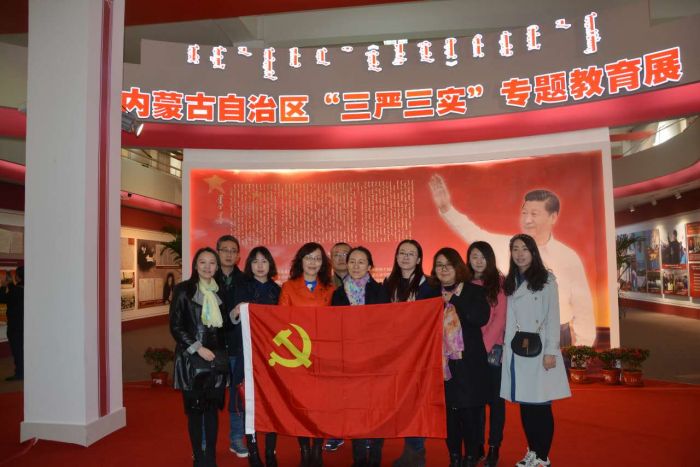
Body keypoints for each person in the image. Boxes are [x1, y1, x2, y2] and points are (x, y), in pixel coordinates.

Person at [429, 175, 596, 347]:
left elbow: (583, 308)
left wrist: (583, 350)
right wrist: (447, 209)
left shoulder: (568, 257)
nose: (527, 219)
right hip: (516, 331)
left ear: (553, 217)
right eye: (524, 213)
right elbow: (471, 232)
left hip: (556, 334)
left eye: (534, 214)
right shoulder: (505, 245)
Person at [501, 234, 571, 467]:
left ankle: (542, 457)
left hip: (540, 350)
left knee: (541, 405)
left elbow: (553, 317)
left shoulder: (547, 280)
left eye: (525, 249)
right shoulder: (510, 281)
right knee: (526, 405)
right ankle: (532, 451)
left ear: (533, 252)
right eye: (515, 249)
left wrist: (551, 351)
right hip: (517, 350)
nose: (520, 254)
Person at [170, 247, 230, 467]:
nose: (207, 267)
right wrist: (197, 347)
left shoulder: (221, 290)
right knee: (195, 412)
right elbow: (176, 326)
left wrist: (235, 315)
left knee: (212, 412)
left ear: (217, 266)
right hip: (191, 359)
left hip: (215, 360)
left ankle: (210, 457)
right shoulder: (183, 290)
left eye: (212, 263)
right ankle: (198, 455)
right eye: (203, 262)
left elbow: (224, 327)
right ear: (195, 265)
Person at [431, 248, 491, 467]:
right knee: (449, 413)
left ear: (459, 267)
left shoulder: (474, 291)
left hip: (469, 363)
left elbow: (479, 318)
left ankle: (471, 456)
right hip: (442, 364)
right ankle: (454, 456)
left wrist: (455, 299)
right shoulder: (431, 293)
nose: (444, 269)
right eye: (439, 265)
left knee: (470, 412)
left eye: (449, 264)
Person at [331, 246, 390, 467]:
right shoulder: (338, 294)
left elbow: (387, 325)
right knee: (355, 408)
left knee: (377, 408)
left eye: (361, 262)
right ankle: (358, 458)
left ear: (370, 266)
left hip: (376, 359)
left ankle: (375, 456)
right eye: (352, 261)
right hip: (350, 359)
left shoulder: (380, 291)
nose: (356, 266)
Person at [279, 242, 335, 467]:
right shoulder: (288, 287)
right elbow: (281, 322)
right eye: (309, 258)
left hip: (323, 354)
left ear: (323, 264)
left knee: (321, 403)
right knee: (301, 403)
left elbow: (336, 323)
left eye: (318, 258)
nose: (313, 262)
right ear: (300, 261)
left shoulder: (330, 288)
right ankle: (304, 447)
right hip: (297, 353)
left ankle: (318, 447)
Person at [385, 239, 439, 467]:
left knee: (417, 402)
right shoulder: (388, 284)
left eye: (411, 254)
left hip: (420, 353)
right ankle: (410, 451)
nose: (405, 257)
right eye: (402, 253)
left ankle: (417, 453)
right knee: (403, 402)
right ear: (396, 257)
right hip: (395, 353)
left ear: (418, 260)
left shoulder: (430, 286)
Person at [233, 246, 282, 467]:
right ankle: (253, 450)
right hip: (248, 353)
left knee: (273, 402)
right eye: (255, 261)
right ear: (249, 265)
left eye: (264, 261)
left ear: (270, 264)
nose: (260, 266)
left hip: (272, 356)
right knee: (249, 401)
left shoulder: (277, 290)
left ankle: (270, 451)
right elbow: (232, 318)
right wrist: (237, 311)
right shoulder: (241, 288)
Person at [467, 242, 506, 467]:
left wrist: (483, 347)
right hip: (470, 352)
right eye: (474, 256)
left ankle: (494, 446)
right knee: (476, 402)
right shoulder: (464, 283)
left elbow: (500, 319)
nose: (479, 261)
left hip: (493, 353)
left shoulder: (499, 283)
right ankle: (478, 444)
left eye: (483, 256)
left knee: (496, 402)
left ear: (490, 259)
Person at [215, 235, 249, 459]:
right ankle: (206, 442)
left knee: (237, 395)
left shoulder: (245, 280)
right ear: (217, 252)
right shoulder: (206, 278)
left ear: (238, 256)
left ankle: (237, 438)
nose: (228, 254)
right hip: (214, 348)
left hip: (238, 345)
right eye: (224, 250)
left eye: (233, 250)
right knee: (211, 396)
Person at [0, 266, 24, 381]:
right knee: (23, 350)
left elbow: (2, 298)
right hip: (25, 325)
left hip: (15, 326)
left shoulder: (15, 291)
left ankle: (20, 373)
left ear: (17, 277)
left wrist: (4, 285)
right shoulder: (25, 289)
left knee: (17, 351)